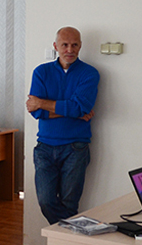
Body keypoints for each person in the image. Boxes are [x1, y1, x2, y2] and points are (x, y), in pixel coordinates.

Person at [26, 26, 98, 224]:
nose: (70, 49)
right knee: (46, 201)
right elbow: (36, 112)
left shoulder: (90, 73)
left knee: (69, 204)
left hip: (76, 148)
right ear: (55, 46)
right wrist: (73, 112)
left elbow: (80, 107)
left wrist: (42, 102)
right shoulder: (41, 72)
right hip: (45, 148)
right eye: (65, 45)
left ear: (80, 46)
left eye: (74, 45)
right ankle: (71, 242)